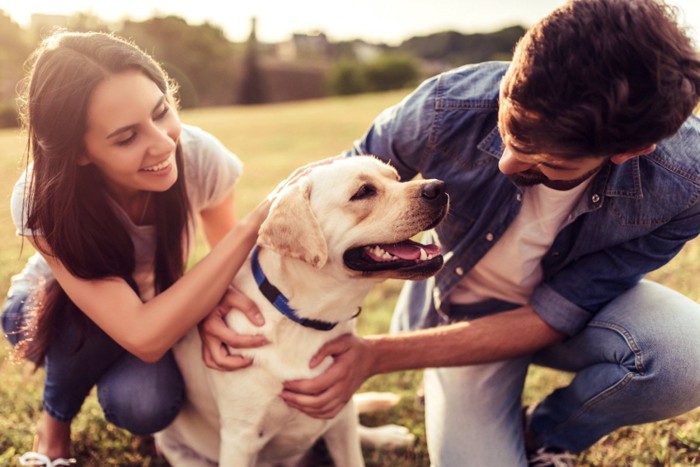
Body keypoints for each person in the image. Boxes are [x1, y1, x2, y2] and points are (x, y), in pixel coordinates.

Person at [259, 1, 700, 465]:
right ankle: (434, 342)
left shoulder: (686, 183)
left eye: (547, 162)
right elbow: (319, 187)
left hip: (574, 315)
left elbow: (561, 310)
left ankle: (544, 435)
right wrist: (231, 287)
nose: (507, 164)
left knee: (687, 357)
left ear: (630, 151)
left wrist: (376, 355)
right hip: (460, 311)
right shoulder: (448, 104)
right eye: (509, 130)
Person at [0, 30, 304, 465]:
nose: (163, 143)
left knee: (146, 403)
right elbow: (142, 335)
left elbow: (240, 278)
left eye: (162, 112)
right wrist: (254, 222)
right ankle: (53, 429)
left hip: (148, 310)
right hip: (47, 317)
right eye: (126, 138)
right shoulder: (40, 196)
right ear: (79, 152)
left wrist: (210, 319)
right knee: (99, 324)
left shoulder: (199, 156)